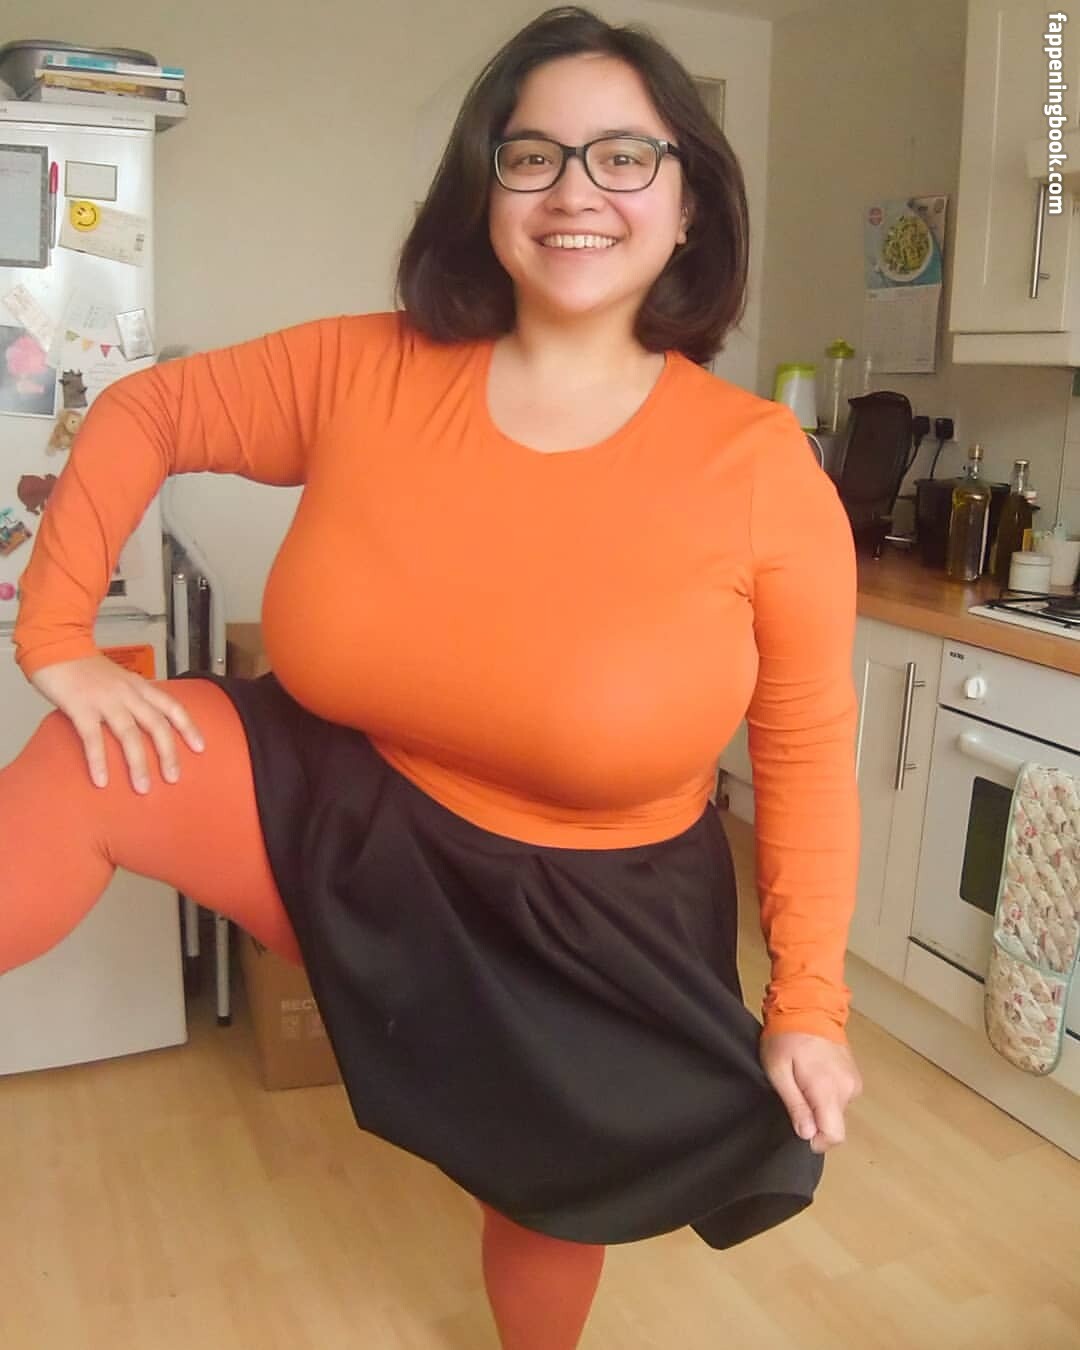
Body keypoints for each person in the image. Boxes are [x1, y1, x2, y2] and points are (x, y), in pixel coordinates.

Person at [0, 7, 862, 1348]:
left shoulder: (760, 470)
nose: (575, 190)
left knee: (552, 1199)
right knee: (87, 765)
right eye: (533, 156)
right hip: (352, 813)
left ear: (689, 201)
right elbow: (143, 408)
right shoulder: (368, 367)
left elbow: (803, 748)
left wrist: (808, 999)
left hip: (593, 907)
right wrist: (56, 635)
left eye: (624, 155)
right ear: (487, 188)